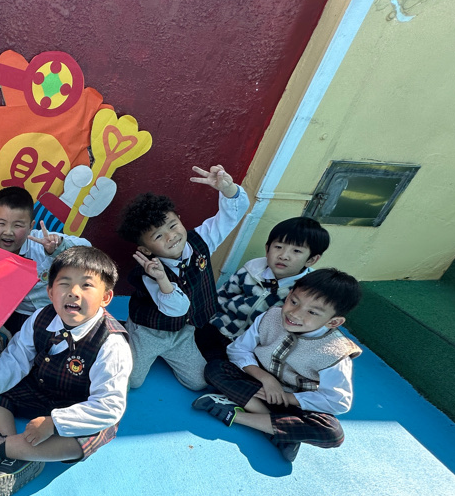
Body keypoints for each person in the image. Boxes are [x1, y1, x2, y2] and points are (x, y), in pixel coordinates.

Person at [0, 247, 132, 496]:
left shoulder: (111, 343)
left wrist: (53, 422)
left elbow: (108, 406)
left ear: (106, 297)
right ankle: (19, 457)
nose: (74, 292)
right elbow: (16, 356)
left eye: (86, 285)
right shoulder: (41, 317)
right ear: (50, 292)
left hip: (78, 406)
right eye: (64, 283)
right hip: (40, 387)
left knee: (83, 442)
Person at [192, 268, 362, 463]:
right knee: (215, 369)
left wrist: (289, 398)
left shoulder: (335, 352)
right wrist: (266, 379)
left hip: (295, 403)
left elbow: (337, 401)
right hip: (258, 388)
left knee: (332, 432)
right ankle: (278, 430)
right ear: (289, 294)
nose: (295, 314)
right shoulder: (271, 316)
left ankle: (237, 415)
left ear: (334, 322)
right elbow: (238, 350)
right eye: (294, 301)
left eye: (312, 312)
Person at [120, 165, 250, 391]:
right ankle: (125, 333)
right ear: (146, 249)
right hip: (150, 331)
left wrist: (228, 189)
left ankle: (171, 350)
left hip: (183, 331)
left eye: (173, 225)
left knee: (199, 383)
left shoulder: (200, 240)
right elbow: (177, 308)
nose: (171, 236)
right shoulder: (150, 272)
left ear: (180, 219)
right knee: (132, 381)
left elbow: (232, 216)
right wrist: (162, 279)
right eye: (158, 236)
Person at [195, 216, 329, 364]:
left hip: (252, 348)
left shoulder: (307, 291)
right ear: (267, 249)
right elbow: (222, 296)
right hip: (218, 328)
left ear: (311, 260)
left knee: (216, 367)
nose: (283, 256)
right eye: (278, 247)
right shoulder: (252, 269)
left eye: (296, 251)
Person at [0, 186, 89, 336]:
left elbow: (87, 247)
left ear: (30, 227)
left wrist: (59, 248)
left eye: (17, 225)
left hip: (53, 312)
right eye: (1, 223)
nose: (8, 232)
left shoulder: (44, 241)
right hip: (15, 315)